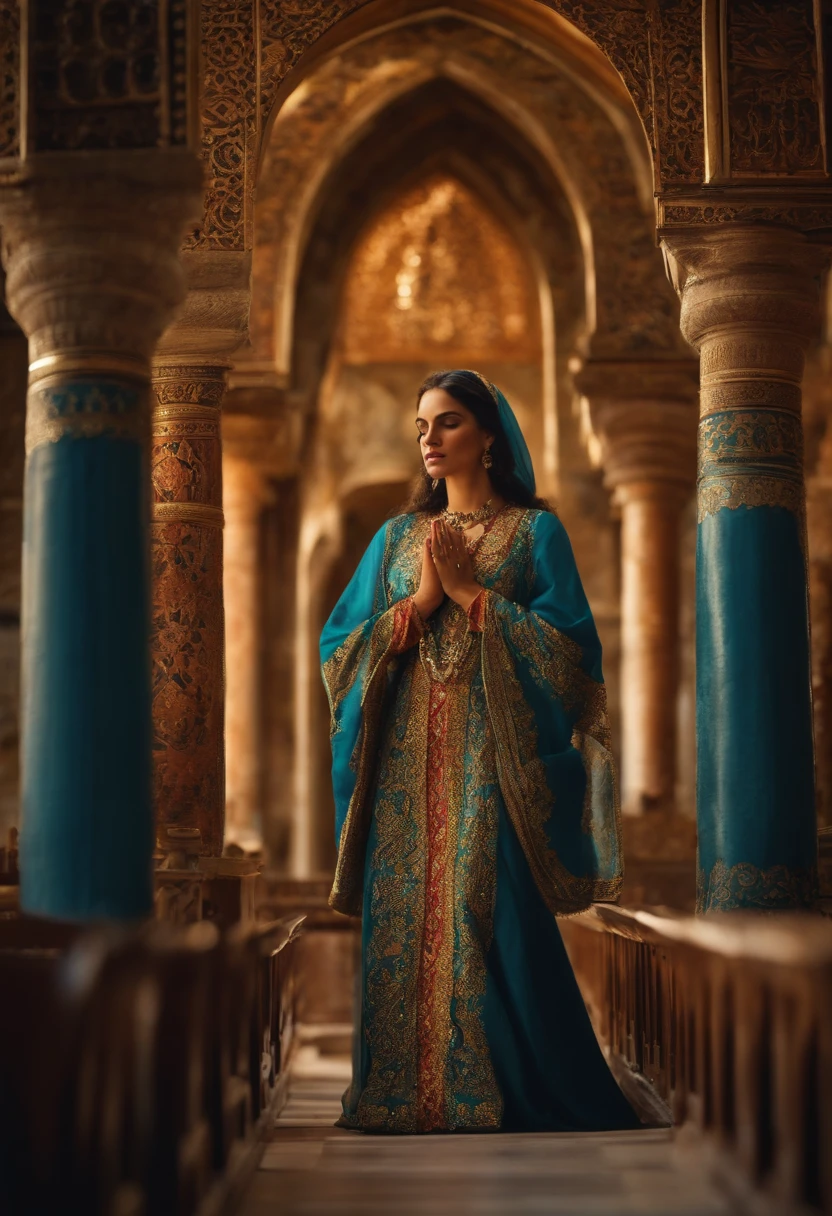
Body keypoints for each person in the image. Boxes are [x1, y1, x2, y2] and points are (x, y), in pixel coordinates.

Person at [320, 368, 640, 1133]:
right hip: (401, 763)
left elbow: (573, 658)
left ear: (489, 435)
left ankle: (502, 1089)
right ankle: (399, 1092)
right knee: (402, 908)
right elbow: (338, 652)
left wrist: (476, 599)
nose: (430, 438)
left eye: (450, 422)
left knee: (479, 897)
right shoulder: (395, 539)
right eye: (423, 424)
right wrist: (421, 605)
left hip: (491, 761)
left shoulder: (536, 533)